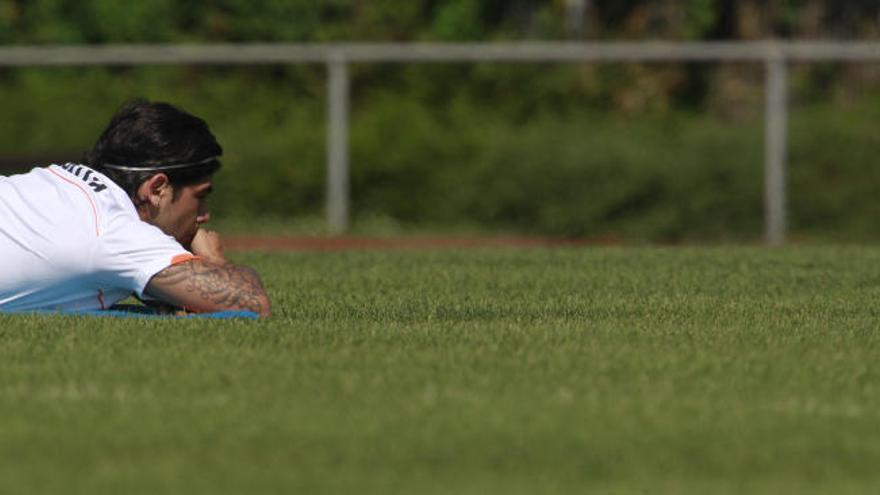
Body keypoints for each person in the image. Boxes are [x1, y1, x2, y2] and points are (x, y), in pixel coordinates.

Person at [0, 99, 271, 317]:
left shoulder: (63, 177)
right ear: (156, 189)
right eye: (199, 196)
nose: (204, 214)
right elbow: (251, 302)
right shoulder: (116, 231)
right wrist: (213, 260)